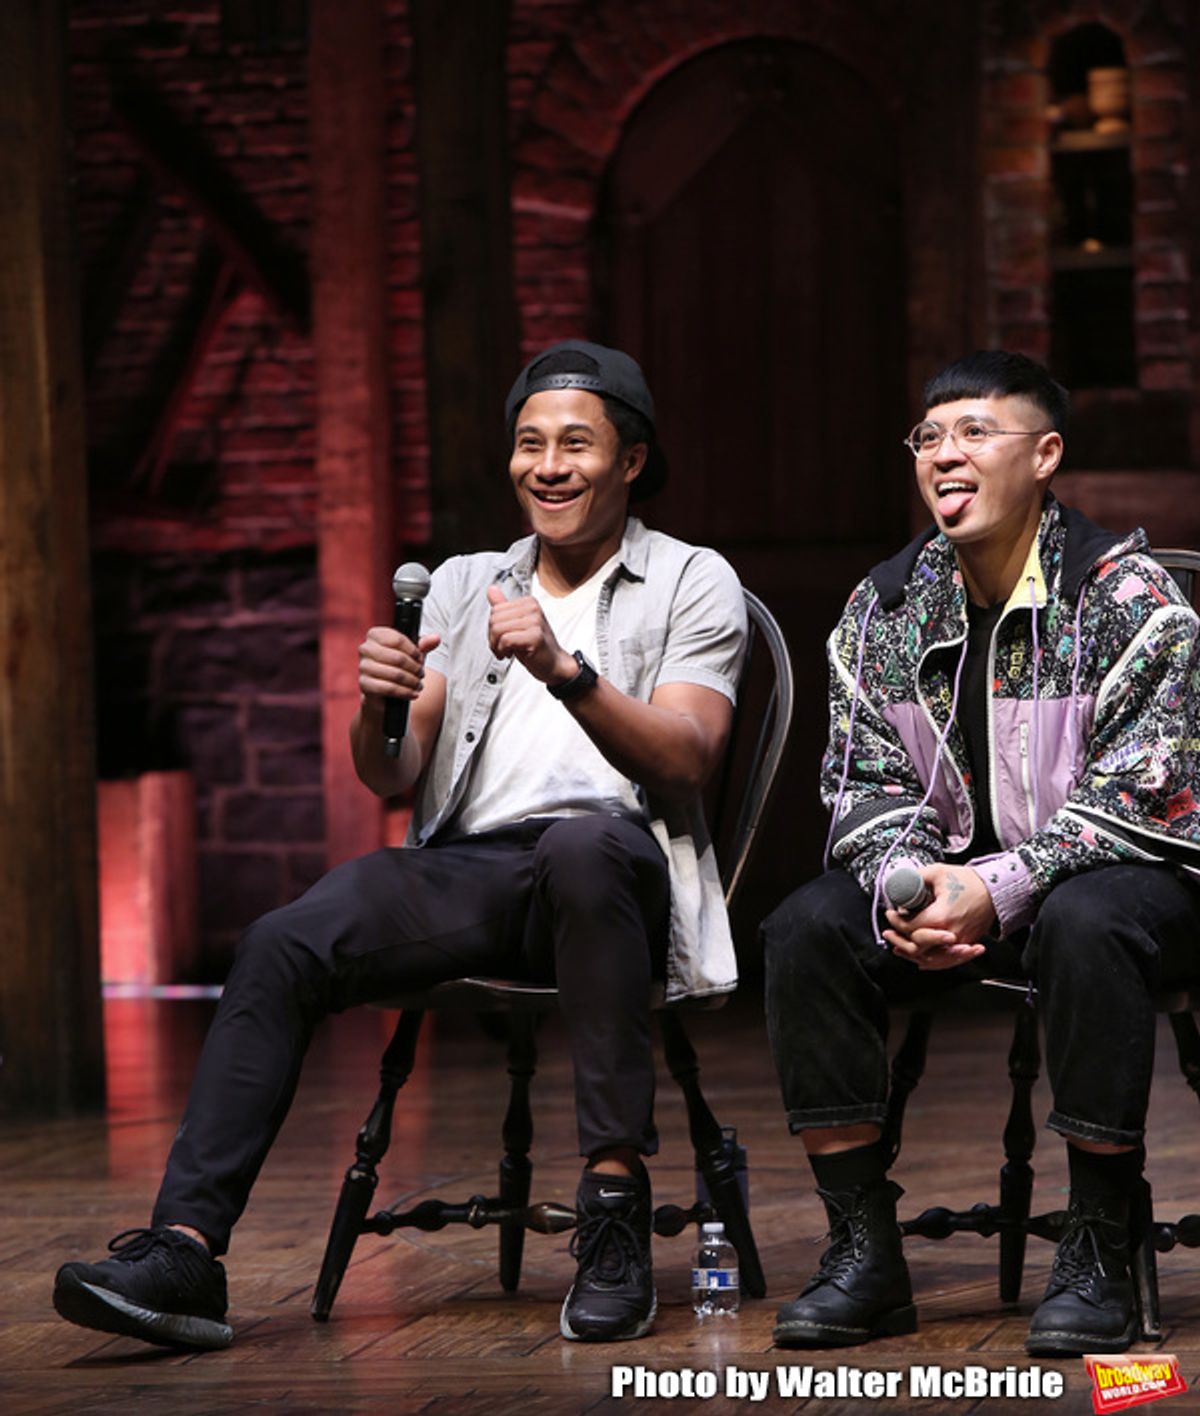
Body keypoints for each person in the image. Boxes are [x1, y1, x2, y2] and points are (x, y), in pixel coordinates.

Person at [54, 339, 747, 1350]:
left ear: (631, 460)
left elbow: (686, 758)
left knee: (586, 851)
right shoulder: (467, 585)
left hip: (614, 871)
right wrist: (376, 704)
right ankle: (186, 1250)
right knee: (285, 940)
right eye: (528, 444)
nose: (546, 466)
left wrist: (565, 669)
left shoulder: (691, 578)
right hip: (470, 871)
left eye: (575, 444)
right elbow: (391, 773)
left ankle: (612, 1214)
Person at [763, 350, 1200, 1357]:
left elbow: (1143, 795)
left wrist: (998, 888)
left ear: (1045, 455)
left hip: (1121, 891)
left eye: (975, 432)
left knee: (1091, 921)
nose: (945, 453)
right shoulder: (886, 606)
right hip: (952, 889)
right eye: (929, 436)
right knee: (806, 930)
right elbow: (860, 784)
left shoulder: (1126, 598)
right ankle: (862, 1251)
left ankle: (1096, 1237)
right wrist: (910, 887)